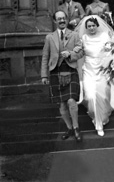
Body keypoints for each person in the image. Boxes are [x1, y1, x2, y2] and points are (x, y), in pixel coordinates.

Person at [41, 10, 84, 142]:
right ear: (55, 21)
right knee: (62, 104)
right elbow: (45, 57)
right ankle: (69, 127)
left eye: (63, 18)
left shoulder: (75, 35)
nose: (61, 21)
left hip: (70, 69)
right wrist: (44, 75)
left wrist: (70, 54)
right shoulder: (49, 37)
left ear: (66, 19)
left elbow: (81, 52)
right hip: (55, 71)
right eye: (58, 19)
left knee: (71, 100)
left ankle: (76, 128)